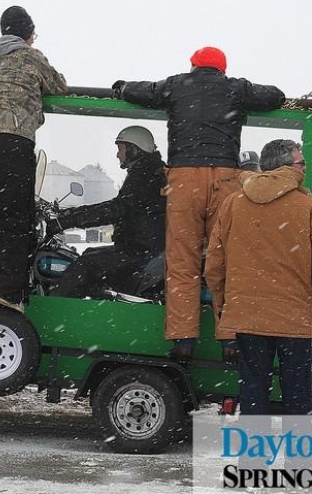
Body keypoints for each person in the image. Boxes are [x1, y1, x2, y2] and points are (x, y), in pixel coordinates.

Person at [112, 46, 287, 360]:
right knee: (226, 261)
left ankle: (183, 340)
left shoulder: (178, 85)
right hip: (225, 179)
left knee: (182, 262)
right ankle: (230, 339)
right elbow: (275, 96)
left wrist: (123, 87)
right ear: (222, 69)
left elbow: (145, 91)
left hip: (185, 179)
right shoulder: (235, 88)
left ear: (193, 66)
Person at [205, 139, 312, 415]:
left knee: (253, 391)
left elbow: (215, 265)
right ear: (286, 166)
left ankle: (253, 445)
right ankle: (297, 445)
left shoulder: (233, 204)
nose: (305, 167)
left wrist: (224, 308)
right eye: (302, 162)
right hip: (293, 319)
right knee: (297, 393)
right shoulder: (310, 209)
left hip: (247, 317)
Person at [0, 5, 67, 311]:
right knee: (16, 216)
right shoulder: (32, 56)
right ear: (28, 33)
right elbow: (59, 86)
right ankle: (9, 291)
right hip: (13, 139)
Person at [49, 126, 166, 298]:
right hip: (143, 250)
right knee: (89, 255)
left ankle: (55, 307)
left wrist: (67, 221)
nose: (118, 154)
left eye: (121, 148)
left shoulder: (145, 175)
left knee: (85, 265)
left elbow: (115, 210)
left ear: (134, 149)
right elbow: (117, 206)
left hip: (140, 252)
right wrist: (71, 213)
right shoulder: (149, 171)